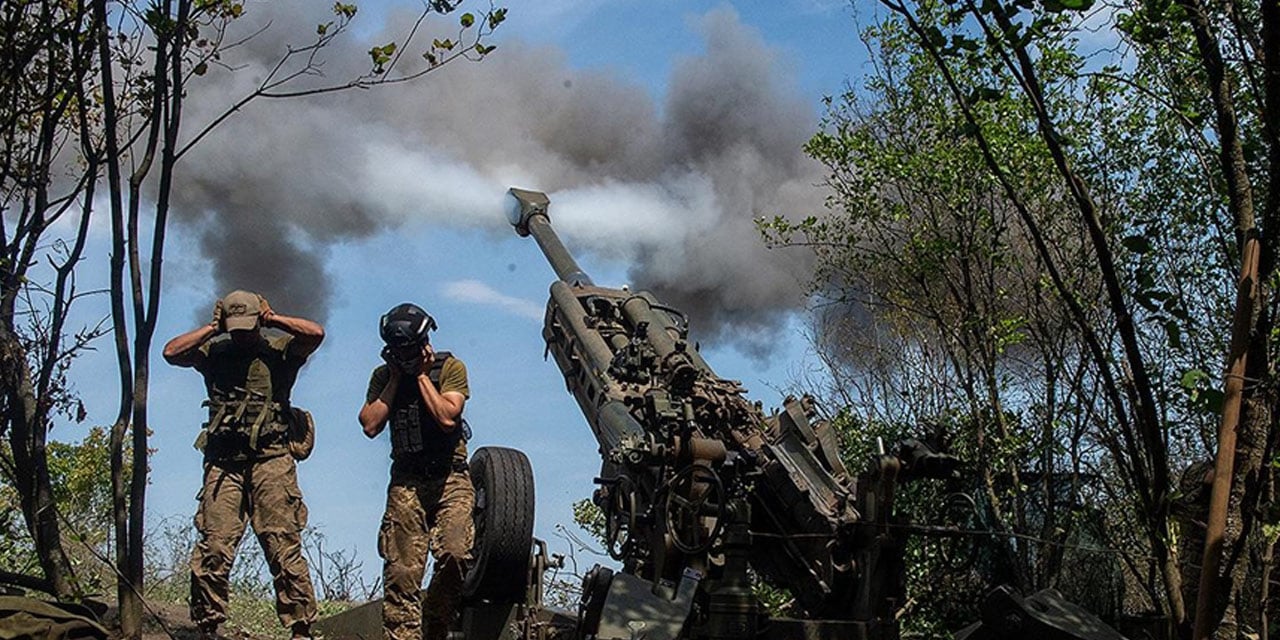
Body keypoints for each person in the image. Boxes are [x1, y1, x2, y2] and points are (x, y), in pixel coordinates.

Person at [163, 290, 324, 640]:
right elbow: (170, 353)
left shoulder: (278, 351)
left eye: (247, 327)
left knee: (282, 544)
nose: (241, 335)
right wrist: (211, 329)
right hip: (224, 465)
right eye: (234, 328)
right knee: (214, 547)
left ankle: (301, 628)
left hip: (272, 460)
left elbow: (315, 334)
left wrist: (275, 319)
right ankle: (209, 625)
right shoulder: (214, 351)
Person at [358, 303, 473, 640]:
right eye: (397, 351)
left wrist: (422, 375)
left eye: (409, 349)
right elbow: (369, 424)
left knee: (455, 553)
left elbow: (447, 416)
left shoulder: (450, 368)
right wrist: (395, 377)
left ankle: (436, 621)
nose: (404, 356)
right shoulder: (383, 377)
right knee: (402, 572)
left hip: (450, 477)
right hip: (407, 480)